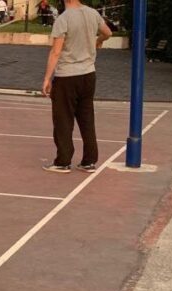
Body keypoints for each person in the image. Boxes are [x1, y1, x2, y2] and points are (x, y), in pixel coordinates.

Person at [41, 0, 112, 173]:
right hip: (88, 74)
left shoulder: (63, 18)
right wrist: (98, 40)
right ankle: (89, 160)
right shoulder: (92, 13)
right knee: (87, 118)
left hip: (67, 75)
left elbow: (56, 51)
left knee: (63, 120)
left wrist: (47, 78)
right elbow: (108, 32)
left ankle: (63, 161)